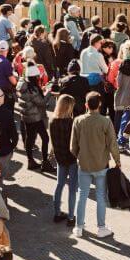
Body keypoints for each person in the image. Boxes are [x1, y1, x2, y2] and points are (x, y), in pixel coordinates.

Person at [70, 92, 120, 239]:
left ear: (86, 105)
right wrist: (117, 160)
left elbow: (73, 146)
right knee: (100, 197)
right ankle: (101, 227)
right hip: (101, 165)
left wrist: (80, 156)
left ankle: (79, 227)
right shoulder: (106, 121)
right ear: (99, 105)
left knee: (82, 196)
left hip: (84, 164)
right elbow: (112, 144)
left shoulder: (78, 121)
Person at [49, 94, 79, 226]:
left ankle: (57, 213)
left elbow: (53, 141)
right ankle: (71, 218)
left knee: (59, 185)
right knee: (72, 189)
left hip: (60, 158)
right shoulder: (72, 123)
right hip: (72, 158)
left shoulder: (52, 121)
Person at [16, 63, 50, 171]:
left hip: (26, 116)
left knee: (29, 139)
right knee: (45, 138)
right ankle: (45, 162)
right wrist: (48, 92)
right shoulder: (33, 89)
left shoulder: (22, 85)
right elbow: (42, 102)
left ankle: (30, 161)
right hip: (35, 117)